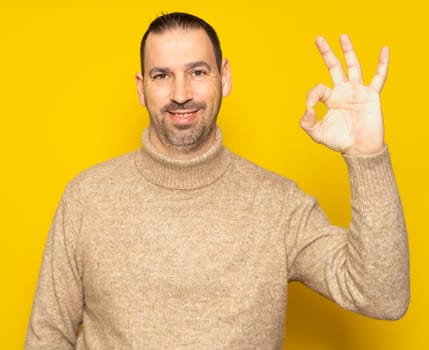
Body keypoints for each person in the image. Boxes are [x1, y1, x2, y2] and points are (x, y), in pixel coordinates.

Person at [25, 12, 410, 349]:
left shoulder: (278, 205)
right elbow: (47, 337)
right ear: (141, 88)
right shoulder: (87, 197)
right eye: (162, 76)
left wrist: (366, 157)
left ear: (224, 77)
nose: (181, 94)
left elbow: (382, 296)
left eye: (197, 72)